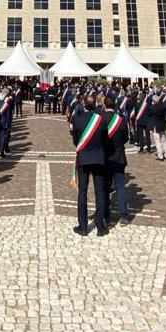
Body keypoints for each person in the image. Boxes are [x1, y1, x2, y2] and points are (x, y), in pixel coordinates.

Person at [71, 93, 108, 236]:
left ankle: (83, 226)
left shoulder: (77, 119)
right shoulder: (101, 120)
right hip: (99, 158)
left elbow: (75, 140)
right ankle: (100, 225)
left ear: (83, 105)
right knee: (100, 192)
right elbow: (105, 139)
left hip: (84, 158)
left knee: (82, 193)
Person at [101, 95, 130, 226]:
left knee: (105, 187)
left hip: (105, 157)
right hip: (119, 155)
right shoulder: (122, 120)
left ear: (105, 105)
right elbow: (126, 138)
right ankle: (123, 215)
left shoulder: (101, 119)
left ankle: (106, 216)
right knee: (120, 187)